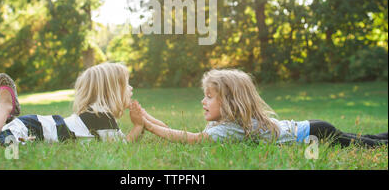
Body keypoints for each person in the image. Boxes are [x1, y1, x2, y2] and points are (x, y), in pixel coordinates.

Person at [132, 69, 388, 147]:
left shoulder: (230, 128)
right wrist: (144, 119)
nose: (203, 101)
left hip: (314, 135)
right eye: (204, 96)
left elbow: (191, 138)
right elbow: (173, 130)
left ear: (230, 101)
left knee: (366, 145)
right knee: (365, 139)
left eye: (209, 97)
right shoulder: (226, 122)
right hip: (312, 127)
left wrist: (147, 126)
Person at [0, 63, 145, 147]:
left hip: (32, 126)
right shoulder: (102, 117)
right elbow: (123, 145)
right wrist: (138, 125)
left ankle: (0, 114)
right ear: (111, 90)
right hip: (32, 130)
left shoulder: (96, 115)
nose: (131, 88)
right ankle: (4, 109)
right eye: (126, 84)